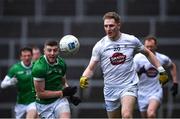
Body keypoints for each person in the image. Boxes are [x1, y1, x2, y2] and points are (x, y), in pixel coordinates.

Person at [79, 11, 168, 118]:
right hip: (110, 88)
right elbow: (91, 67)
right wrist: (84, 77)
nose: (108, 29)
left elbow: (148, 53)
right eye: (106, 26)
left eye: (111, 25)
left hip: (129, 85)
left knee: (126, 115)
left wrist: (161, 70)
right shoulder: (100, 46)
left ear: (118, 25)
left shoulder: (131, 40)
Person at [32, 40, 81, 119]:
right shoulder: (39, 68)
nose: (52, 53)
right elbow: (40, 94)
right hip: (43, 105)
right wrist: (62, 93)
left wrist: (71, 96)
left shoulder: (62, 63)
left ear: (58, 51)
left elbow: (63, 82)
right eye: (49, 50)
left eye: (55, 50)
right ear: (44, 51)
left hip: (59, 100)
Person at [134, 36, 178, 118]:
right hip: (142, 92)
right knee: (145, 117)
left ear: (156, 46)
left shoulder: (162, 58)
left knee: (151, 113)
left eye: (151, 46)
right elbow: (131, 73)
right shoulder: (138, 58)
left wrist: (175, 83)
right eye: (147, 47)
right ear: (144, 46)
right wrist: (139, 72)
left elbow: (172, 66)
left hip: (156, 91)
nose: (149, 49)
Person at [0, 47, 38, 119]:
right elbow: (2, 85)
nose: (26, 58)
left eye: (28, 55)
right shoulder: (15, 68)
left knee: (31, 116)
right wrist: (11, 82)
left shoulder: (36, 66)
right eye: (24, 56)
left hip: (33, 101)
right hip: (21, 102)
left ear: (32, 56)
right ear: (21, 57)